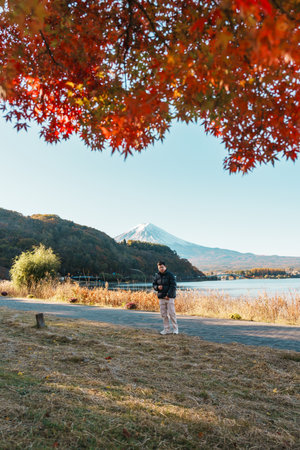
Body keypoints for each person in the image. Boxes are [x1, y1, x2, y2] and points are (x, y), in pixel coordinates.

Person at [153, 261, 178, 335]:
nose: (161, 268)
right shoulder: (157, 275)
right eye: (159, 267)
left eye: (162, 267)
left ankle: (175, 329)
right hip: (161, 297)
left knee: (172, 314)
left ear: (165, 267)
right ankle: (166, 329)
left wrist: (168, 295)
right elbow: (154, 285)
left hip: (169, 297)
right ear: (158, 268)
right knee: (163, 314)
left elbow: (173, 286)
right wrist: (157, 287)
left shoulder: (170, 275)